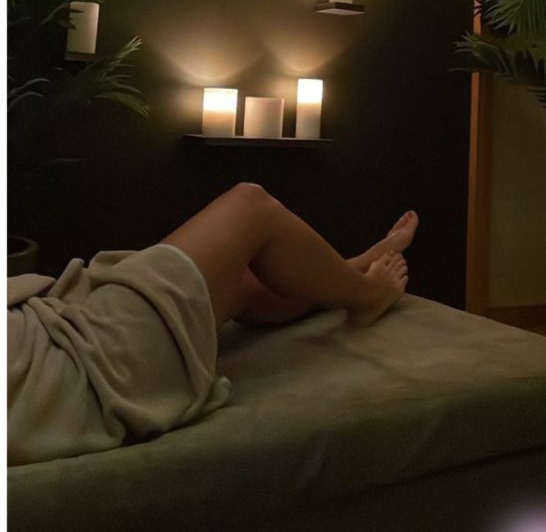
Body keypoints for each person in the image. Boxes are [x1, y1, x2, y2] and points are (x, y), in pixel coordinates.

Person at [8, 183, 418, 467]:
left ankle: (349, 271)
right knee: (251, 206)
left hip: (42, 335)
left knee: (235, 285)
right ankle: (368, 295)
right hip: (74, 367)